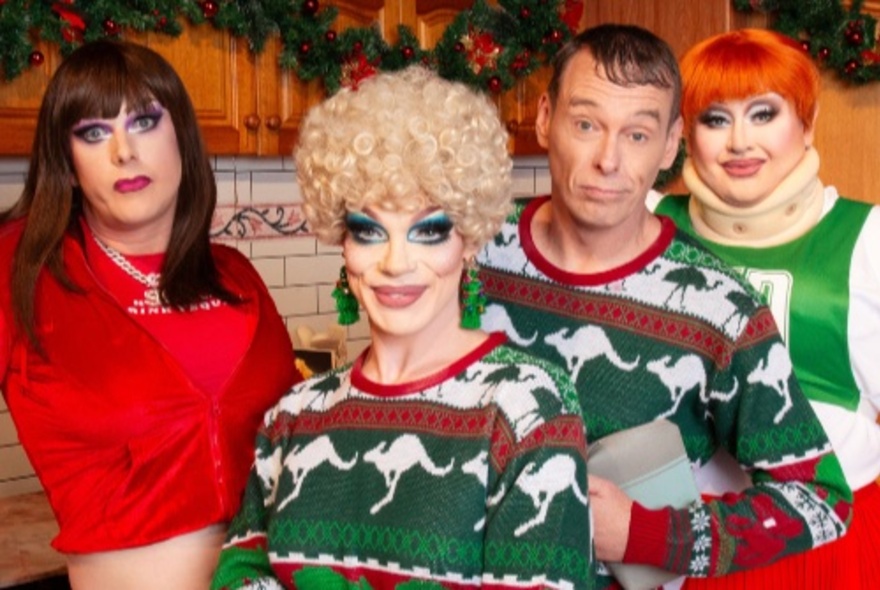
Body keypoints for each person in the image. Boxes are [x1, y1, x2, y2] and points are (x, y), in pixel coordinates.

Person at [476, 23, 852, 589]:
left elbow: (821, 501)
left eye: (638, 134)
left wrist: (647, 535)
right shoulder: (469, 252)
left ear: (671, 141)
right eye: (586, 125)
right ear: (544, 117)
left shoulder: (720, 309)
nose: (609, 159)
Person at [210, 66, 595, 590]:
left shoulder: (526, 409)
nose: (395, 263)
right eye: (368, 231)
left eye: (428, 231)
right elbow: (240, 573)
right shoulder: (295, 415)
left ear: (469, 240)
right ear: (342, 244)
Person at [0, 40, 302, 589]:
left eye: (143, 121)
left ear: (181, 137)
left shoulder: (236, 277)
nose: (123, 151)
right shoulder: (21, 269)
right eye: (93, 132)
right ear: (66, 164)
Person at [648, 28, 880, 589]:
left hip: (826, 543)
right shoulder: (648, 224)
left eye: (763, 114)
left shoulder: (868, 236)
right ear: (685, 133)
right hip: (676, 540)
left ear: (807, 120)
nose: (739, 143)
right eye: (715, 119)